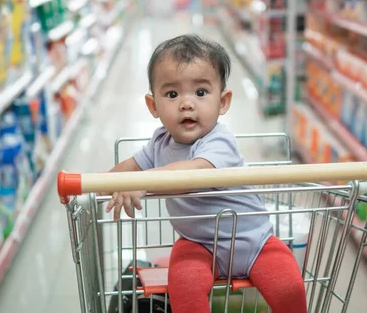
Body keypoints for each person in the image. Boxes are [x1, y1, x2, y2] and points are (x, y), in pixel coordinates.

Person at [105, 34, 307, 313]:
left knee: (288, 287)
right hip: (197, 245)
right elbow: (128, 167)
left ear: (223, 102)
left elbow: (194, 173)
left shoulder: (218, 141)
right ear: (154, 106)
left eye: (200, 92)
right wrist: (93, 185)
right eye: (172, 94)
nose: (186, 104)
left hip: (254, 241)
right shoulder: (159, 142)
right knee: (184, 286)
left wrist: (140, 184)